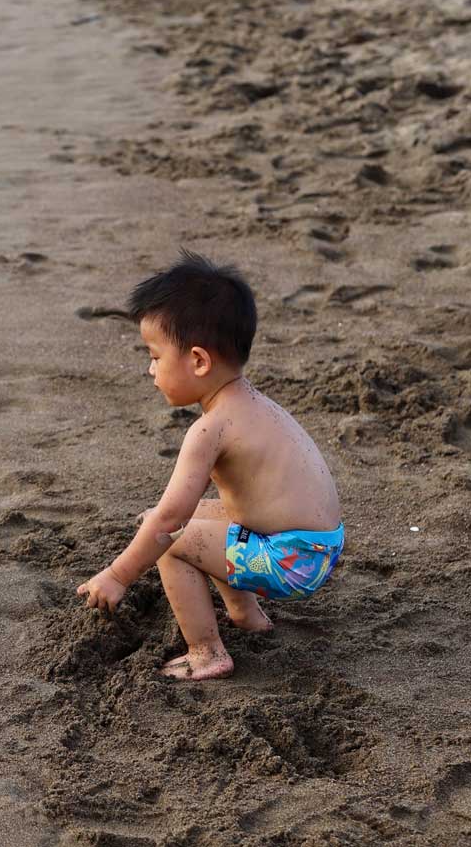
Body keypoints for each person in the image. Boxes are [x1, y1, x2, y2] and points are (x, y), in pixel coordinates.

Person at [76, 251, 344, 681]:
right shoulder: (253, 405)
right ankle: (246, 616)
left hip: (292, 559)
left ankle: (206, 651)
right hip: (316, 546)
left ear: (199, 361)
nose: (150, 369)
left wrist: (117, 575)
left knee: (171, 539)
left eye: (155, 356)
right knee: (203, 520)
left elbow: (168, 521)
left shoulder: (209, 430)